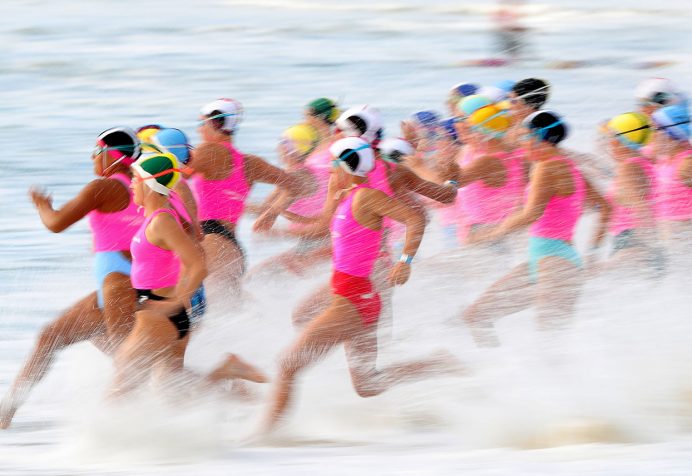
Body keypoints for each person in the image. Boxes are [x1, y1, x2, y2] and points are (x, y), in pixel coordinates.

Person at [261, 137, 461, 433]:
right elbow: (324, 226)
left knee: (288, 364)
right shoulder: (345, 194)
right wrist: (281, 221)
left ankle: (262, 438)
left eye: (333, 164)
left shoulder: (366, 197)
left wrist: (404, 261)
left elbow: (414, 219)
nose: (328, 170)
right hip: (355, 296)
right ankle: (437, 363)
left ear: (347, 167)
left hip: (353, 299)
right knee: (368, 384)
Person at [0, 128, 143, 428]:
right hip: (126, 279)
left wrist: (42, 205)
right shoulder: (142, 184)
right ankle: (5, 414)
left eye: (95, 151)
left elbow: (56, 223)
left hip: (118, 282)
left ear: (110, 155)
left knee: (131, 364)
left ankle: (129, 432)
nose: (92, 158)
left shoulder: (102, 188)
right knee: (51, 337)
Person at [111, 152, 266, 395]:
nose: (131, 184)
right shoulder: (156, 218)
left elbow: (197, 265)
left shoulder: (161, 221)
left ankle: (110, 432)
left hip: (159, 315)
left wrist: (176, 302)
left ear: (149, 184)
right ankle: (227, 377)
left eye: (135, 178)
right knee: (173, 390)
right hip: (161, 313)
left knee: (120, 388)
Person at [461, 111, 610, 347]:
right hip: (542, 260)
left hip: (556, 264)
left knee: (549, 342)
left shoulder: (548, 168)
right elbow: (604, 207)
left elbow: (531, 213)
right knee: (476, 316)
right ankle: (493, 378)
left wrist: (491, 234)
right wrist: (592, 251)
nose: (520, 143)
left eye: (524, 137)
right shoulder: (568, 167)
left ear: (540, 137)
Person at [188, 98, 301, 295]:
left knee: (205, 312)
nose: (198, 130)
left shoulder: (208, 151)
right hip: (230, 248)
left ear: (214, 123)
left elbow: (170, 174)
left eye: (200, 123)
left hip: (211, 240)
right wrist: (272, 212)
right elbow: (295, 185)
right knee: (230, 311)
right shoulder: (250, 163)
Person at [600, 112, 661, 273]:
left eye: (610, 137)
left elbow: (642, 209)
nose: (607, 142)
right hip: (634, 239)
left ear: (621, 140)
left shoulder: (629, 167)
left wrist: (649, 249)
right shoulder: (642, 163)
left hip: (632, 240)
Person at [650, 104, 692, 250]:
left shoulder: (687, 163)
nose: (653, 136)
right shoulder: (665, 160)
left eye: (656, 130)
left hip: (683, 239)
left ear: (670, 133)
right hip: (667, 239)